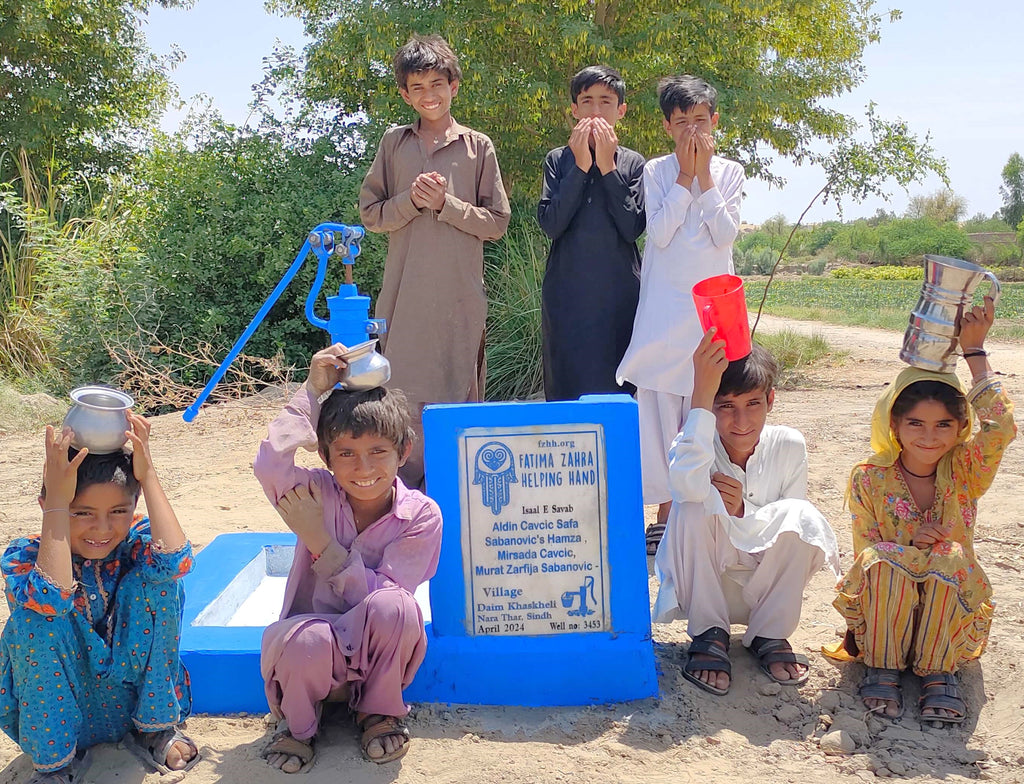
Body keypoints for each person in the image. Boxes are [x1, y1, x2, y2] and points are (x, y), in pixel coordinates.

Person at [824, 297, 1015, 726]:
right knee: (883, 561)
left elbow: (1001, 428)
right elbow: (867, 557)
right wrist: (910, 544)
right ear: (894, 424)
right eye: (916, 424)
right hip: (884, 619)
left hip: (947, 624)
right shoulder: (868, 478)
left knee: (950, 557)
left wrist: (976, 353)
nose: (929, 437)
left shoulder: (965, 470)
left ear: (960, 427)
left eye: (943, 425)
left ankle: (937, 673)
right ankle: (884, 667)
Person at [253, 344, 442, 771]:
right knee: (308, 639)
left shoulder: (420, 515)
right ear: (326, 456)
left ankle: (378, 711)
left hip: (376, 654)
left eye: (378, 452)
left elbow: (388, 597)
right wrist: (310, 391)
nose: (363, 468)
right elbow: (269, 464)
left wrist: (320, 541)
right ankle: (299, 726)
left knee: (396, 607)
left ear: (404, 450)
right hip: (312, 650)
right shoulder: (317, 492)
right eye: (346, 454)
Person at [0, 417, 199, 783]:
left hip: (133, 704)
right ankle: (56, 768)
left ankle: (156, 730)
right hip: (60, 716)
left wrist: (149, 474)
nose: (103, 529)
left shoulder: (134, 544)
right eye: (81, 513)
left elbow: (176, 561)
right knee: (34, 618)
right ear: (46, 506)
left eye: (118, 512)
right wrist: (59, 503)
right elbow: (53, 598)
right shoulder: (24, 556)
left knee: (160, 583)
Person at [359, 33, 511, 489]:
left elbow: (497, 222)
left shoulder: (477, 147)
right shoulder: (393, 144)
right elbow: (371, 215)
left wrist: (447, 205)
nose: (430, 95)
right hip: (403, 305)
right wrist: (410, 201)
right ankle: (401, 512)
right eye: (418, 88)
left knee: (456, 412)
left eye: (438, 84)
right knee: (401, 409)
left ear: (455, 86)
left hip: (460, 305)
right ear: (405, 94)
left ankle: (453, 512)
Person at [652, 330, 840, 696]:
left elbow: (791, 536)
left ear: (771, 400)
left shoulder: (789, 444)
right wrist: (701, 400)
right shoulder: (695, 440)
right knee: (692, 504)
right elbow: (686, 489)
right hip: (706, 585)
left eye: (753, 404)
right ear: (711, 406)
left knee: (801, 515)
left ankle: (770, 632)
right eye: (726, 407)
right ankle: (710, 633)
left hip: (765, 587)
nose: (741, 422)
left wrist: (742, 510)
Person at [614, 75, 746, 555]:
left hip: (710, 309)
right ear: (667, 126)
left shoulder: (731, 172)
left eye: (701, 120)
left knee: (706, 401)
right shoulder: (655, 171)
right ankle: (663, 511)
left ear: (715, 121)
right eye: (682, 121)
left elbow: (725, 235)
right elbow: (661, 233)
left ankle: (702, 509)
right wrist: (686, 179)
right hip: (665, 309)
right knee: (660, 410)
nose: (692, 130)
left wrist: (706, 176)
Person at [537, 64, 646, 401]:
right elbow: (551, 224)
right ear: (574, 110)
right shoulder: (558, 160)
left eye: (606, 102)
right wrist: (582, 164)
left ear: (621, 111)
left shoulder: (633, 164)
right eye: (587, 102)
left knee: (619, 393)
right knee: (566, 390)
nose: (596, 111)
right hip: (567, 297)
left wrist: (607, 165)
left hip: (620, 298)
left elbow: (633, 228)